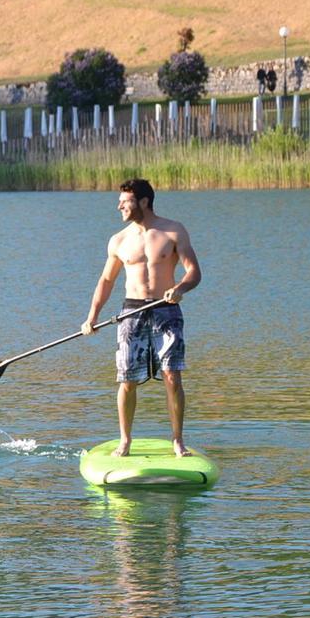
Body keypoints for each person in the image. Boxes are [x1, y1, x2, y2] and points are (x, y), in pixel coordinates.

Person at [81, 179, 201, 458]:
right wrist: (92, 317)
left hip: (166, 310)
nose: (119, 205)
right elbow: (106, 280)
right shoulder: (119, 240)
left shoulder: (173, 230)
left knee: (173, 376)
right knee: (127, 380)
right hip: (131, 312)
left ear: (144, 202)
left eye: (125, 201)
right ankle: (125, 441)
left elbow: (194, 272)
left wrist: (180, 288)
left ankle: (177, 441)